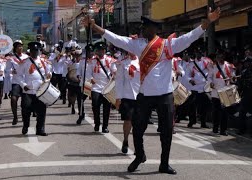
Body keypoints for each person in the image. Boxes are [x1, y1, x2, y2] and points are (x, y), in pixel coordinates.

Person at [82, 7, 221, 174]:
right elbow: (116, 39)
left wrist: (207, 23)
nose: (142, 30)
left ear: (154, 29)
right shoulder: (138, 45)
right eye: (142, 28)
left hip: (165, 96)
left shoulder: (168, 45)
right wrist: (94, 26)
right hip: (145, 96)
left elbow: (190, 37)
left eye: (145, 28)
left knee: (167, 131)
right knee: (138, 129)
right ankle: (140, 155)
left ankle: (164, 163)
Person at [16, 42, 49, 136]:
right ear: (30, 51)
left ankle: (40, 129)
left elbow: (48, 72)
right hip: (28, 90)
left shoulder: (43, 61)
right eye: (33, 51)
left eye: (36, 51)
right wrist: (23, 85)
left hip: (40, 90)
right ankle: (25, 125)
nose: (34, 53)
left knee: (41, 110)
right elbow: (18, 75)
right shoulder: (24, 62)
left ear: (39, 51)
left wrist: (49, 75)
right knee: (26, 109)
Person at [86, 42, 117, 133]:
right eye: (99, 50)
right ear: (97, 51)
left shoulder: (110, 60)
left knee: (106, 108)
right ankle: (97, 123)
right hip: (96, 87)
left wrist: (114, 75)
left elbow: (114, 70)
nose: (101, 52)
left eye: (102, 50)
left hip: (106, 87)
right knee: (95, 105)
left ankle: (105, 126)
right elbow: (88, 72)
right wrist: (91, 79)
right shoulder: (92, 61)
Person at [115, 51, 140, 154]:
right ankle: (125, 140)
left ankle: (137, 146)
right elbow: (119, 81)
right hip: (127, 95)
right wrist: (118, 98)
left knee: (138, 123)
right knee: (128, 120)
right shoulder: (123, 63)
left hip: (140, 96)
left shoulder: (142, 61)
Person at [209, 52, 235, 136]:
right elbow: (209, 77)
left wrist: (232, 79)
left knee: (224, 112)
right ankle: (215, 128)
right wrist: (210, 82)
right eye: (218, 57)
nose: (220, 58)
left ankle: (223, 130)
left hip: (225, 92)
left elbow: (233, 77)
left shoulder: (229, 66)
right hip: (215, 92)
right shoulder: (212, 66)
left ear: (224, 57)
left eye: (221, 56)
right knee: (215, 111)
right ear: (216, 58)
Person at [187, 50, 213, 128]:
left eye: (200, 53)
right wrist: (190, 80)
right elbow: (188, 74)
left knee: (204, 106)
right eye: (197, 53)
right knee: (192, 105)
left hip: (204, 87)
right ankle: (192, 121)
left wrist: (209, 81)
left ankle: (203, 123)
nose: (199, 54)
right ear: (195, 54)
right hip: (194, 87)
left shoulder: (207, 62)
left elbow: (211, 72)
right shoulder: (191, 64)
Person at [5, 40, 29, 125]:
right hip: (16, 81)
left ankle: (24, 116)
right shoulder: (11, 59)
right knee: (13, 99)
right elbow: (7, 70)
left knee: (25, 101)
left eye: (21, 46)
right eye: (18, 46)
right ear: (15, 48)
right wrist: (12, 71)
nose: (20, 48)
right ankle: (15, 116)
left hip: (25, 81)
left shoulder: (26, 57)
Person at [76, 44, 93, 124]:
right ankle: (81, 114)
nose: (90, 53)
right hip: (84, 83)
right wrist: (78, 75)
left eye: (91, 52)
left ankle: (97, 118)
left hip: (94, 84)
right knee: (80, 100)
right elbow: (79, 70)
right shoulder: (82, 61)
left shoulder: (95, 61)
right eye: (88, 52)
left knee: (96, 102)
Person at [237, 57, 252, 135]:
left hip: (248, 93)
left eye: (248, 62)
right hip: (246, 94)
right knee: (242, 112)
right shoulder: (243, 72)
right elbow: (240, 84)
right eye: (246, 63)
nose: (246, 64)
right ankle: (241, 129)